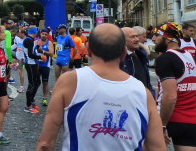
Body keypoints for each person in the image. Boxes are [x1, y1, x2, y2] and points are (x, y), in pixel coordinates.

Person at [36, 23, 165, 150]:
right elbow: (157, 147)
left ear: (89, 50)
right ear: (124, 53)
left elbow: (45, 144)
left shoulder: (70, 81)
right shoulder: (144, 93)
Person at [154, 22, 196, 149]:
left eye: (157, 35)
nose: (153, 39)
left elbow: (170, 96)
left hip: (174, 118)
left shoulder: (165, 59)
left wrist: (161, 125)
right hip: (191, 118)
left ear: (167, 39)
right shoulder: (188, 55)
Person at [120, 27, 155, 97]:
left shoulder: (141, 55)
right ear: (122, 39)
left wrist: (152, 96)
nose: (137, 39)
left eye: (136, 36)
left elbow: (147, 82)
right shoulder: (118, 59)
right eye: (132, 37)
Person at [23, 27, 45, 114]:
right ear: (34, 32)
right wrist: (40, 57)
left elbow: (33, 51)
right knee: (31, 84)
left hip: (34, 64)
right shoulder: (28, 40)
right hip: (30, 64)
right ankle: (28, 106)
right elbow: (30, 54)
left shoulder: (32, 40)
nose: (38, 33)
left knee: (37, 82)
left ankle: (31, 101)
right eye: (37, 31)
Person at [37, 28, 54, 106]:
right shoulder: (36, 42)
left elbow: (51, 53)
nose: (44, 35)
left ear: (48, 35)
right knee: (35, 82)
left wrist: (42, 51)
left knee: (45, 82)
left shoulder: (49, 43)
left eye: (46, 34)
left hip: (45, 65)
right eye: (43, 34)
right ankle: (33, 98)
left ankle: (44, 98)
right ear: (40, 34)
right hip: (36, 65)